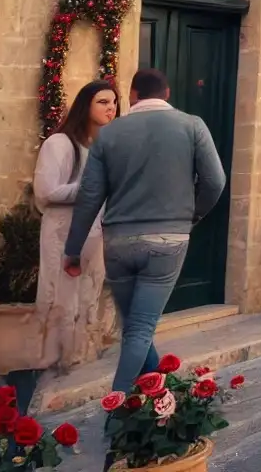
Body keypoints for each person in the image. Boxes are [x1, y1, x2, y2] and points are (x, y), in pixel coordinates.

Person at [64, 68, 225, 395]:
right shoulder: (192, 125)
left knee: (135, 328)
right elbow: (215, 181)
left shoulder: (109, 134)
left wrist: (73, 249)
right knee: (139, 330)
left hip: (118, 242)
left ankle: (158, 399)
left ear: (133, 95)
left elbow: (89, 196)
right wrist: (192, 215)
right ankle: (117, 407)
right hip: (167, 240)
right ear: (167, 94)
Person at [31, 80, 117, 395]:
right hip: (62, 232)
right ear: (86, 106)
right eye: (103, 102)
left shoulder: (104, 147)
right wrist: (92, 188)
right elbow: (46, 191)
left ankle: (80, 361)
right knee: (60, 296)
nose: (111, 108)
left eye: (114, 102)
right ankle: (52, 366)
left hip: (94, 232)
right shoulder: (59, 143)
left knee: (88, 295)